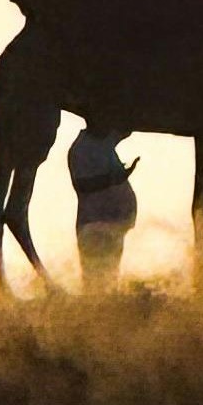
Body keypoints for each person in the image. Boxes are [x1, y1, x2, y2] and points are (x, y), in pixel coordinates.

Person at [68, 125, 139, 293]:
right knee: (95, 282)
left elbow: (126, 128)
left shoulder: (105, 141)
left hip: (114, 224)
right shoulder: (81, 149)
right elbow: (83, 184)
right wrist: (115, 178)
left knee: (111, 277)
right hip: (95, 226)